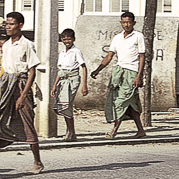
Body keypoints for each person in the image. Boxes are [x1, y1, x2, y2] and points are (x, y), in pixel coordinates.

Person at [0, 12, 44, 176]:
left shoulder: (27, 44)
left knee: (27, 123)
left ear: (20, 26)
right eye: (6, 24)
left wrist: (23, 95)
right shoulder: (5, 45)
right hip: (6, 87)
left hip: (20, 86)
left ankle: (37, 162)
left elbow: (32, 72)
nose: (7, 27)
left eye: (11, 24)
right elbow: (5, 69)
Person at [90, 11, 148, 139]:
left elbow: (142, 57)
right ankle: (141, 130)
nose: (126, 25)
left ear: (134, 23)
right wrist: (98, 69)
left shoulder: (138, 36)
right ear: (121, 23)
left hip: (132, 72)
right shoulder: (117, 38)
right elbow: (109, 56)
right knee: (130, 104)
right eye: (124, 22)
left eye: (129, 22)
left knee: (120, 102)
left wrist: (139, 76)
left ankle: (114, 131)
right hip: (118, 73)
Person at [52, 28, 88, 142]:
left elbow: (83, 67)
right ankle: (70, 131)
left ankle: (71, 133)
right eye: (64, 39)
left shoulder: (76, 51)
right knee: (62, 105)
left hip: (72, 80)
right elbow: (60, 70)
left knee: (67, 105)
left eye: (69, 39)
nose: (67, 41)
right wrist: (54, 86)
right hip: (63, 80)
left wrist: (84, 85)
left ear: (73, 39)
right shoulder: (62, 52)